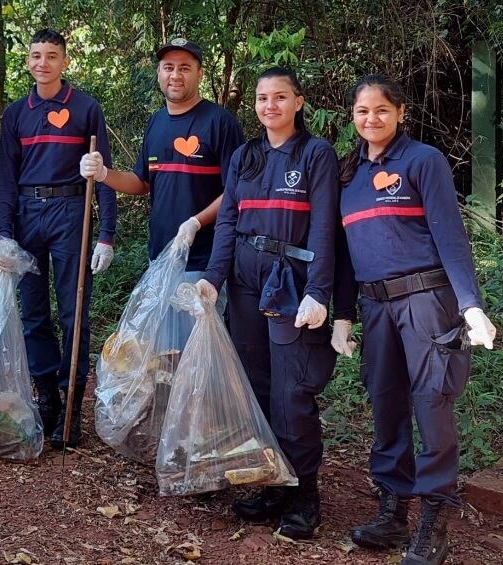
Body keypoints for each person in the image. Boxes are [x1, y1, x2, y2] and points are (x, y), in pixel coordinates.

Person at [332, 73, 496, 565]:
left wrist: (470, 305)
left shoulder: (424, 162)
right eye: (362, 111)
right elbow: (343, 254)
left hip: (427, 301)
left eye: (381, 109)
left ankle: (433, 523)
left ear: (400, 112)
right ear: (352, 117)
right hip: (374, 305)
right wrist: (343, 316)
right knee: (386, 404)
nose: (371, 119)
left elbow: (450, 237)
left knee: (431, 404)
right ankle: (391, 511)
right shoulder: (347, 175)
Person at [195, 67, 339, 540]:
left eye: (280, 97)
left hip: (293, 286)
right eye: (261, 98)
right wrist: (214, 278)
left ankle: (305, 495)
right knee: (255, 387)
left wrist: (320, 291)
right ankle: (273, 482)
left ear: (299, 102)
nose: (269, 106)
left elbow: (323, 229)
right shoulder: (244, 157)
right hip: (244, 284)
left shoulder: (317, 155)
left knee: (291, 392)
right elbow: (229, 222)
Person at [0, 29, 117, 449]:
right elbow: (6, 179)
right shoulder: (16, 113)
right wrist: (4, 234)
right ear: (28, 62)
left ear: (65, 61)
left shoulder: (85, 108)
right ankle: (46, 396)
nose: (42, 62)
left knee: (74, 311)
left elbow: (104, 172)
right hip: (28, 213)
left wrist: (107, 234)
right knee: (33, 311)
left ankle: (72, 404)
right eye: (35, 55)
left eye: (51, 56)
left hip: (70, 212)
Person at [79, 38, 244, 305]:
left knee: (198, 347)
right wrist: (103, 174)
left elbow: (236, 190)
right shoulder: (155, 122)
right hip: (159, 257)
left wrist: (196, 222)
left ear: (200, 74)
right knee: (164, 347)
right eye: (168, 67)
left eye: (185, 68)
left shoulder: (220, 122)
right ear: (159, 73)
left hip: (205, 264)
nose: (175, 75)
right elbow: (142, 182)